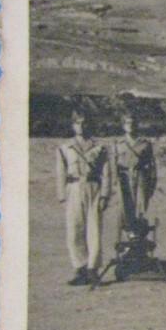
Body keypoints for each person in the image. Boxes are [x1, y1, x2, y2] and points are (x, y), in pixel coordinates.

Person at [55, 109, 112, 286]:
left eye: (84, 122)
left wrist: (104, 195)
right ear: (73, 125)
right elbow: (60, 172)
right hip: (73, 188)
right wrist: (62, 195)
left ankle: (92, 269)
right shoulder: (65, 148)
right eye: (78, 123)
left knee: (94, 229)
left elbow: (106, 172)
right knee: (74, 230)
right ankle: (80, 268)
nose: (81, 126)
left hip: (93, 187)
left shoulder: (99, 147)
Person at [110, 109, 156, 237]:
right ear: (123, 125)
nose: (130, 126)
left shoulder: (145, 144)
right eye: (127, 123)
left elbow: (152, 167)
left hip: (140, 177)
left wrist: (151, 185)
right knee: (125, 209)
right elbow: (113, 165)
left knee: (140, 208)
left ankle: (139, 238)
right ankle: (126, 239)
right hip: (124, 179)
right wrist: (115, 182)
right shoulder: (117, 144)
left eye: (133, 123)